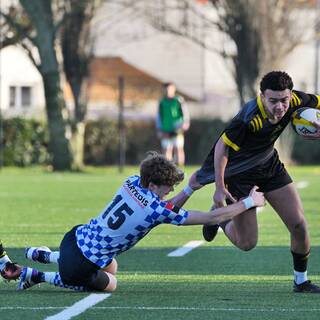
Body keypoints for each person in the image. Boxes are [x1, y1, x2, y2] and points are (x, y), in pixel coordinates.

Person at [12, 152, 264, 292]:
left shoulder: (132, 181)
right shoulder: (156, 209)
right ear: (153, 184)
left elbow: (162, 207)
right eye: (167, 188)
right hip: (78, 265)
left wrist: (188, 189)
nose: (168, 192)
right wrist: (249, 203)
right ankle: (36, 274)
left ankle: (46, 255)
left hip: (74, 237)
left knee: (112, 266)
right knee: (111, 284)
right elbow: (210, 217)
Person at [195, 71, 320, 293]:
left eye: (284, 100)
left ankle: (300, 282)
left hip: (269, 166)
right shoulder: (248, 118)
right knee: (247, 243)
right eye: (273, 101)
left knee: (299, 225)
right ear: (262, 96)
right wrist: (220, 186)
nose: (280, 107)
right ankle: (219, 217)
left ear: (290, 95)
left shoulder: (296, 101)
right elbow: (221, 149)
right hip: (240, 174)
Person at [157, 82, 190, 166]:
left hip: (177, 128)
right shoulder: (162, 102)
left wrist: (185, 123)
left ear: (174, 89)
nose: (168, 91)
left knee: (178, 148)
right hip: (165, 129)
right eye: (166, 89)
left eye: (170, 89)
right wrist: (159, 129)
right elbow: (159, 116)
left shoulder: (178, 100)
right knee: (166, 149)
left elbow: (185, 113)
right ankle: (168, 169)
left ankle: (180, 169)